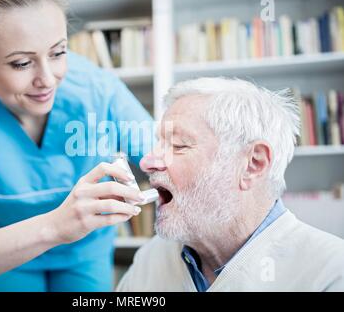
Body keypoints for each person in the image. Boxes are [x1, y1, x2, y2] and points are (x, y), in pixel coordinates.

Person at [0, 0, 153, 292]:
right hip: (2, 253)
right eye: (22, 63)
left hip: (85, 251)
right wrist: (54, 227)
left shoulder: (98, 89)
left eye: (58, 52)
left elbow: (162, 159)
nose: (48, 79)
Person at [117, 77, 344, 292]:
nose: (146, 162)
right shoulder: (150, 259)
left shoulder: (331, 272)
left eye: (178, 145)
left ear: (253, 164)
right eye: (159, 144)